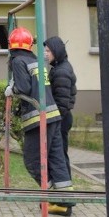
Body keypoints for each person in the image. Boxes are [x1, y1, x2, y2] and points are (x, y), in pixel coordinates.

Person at [6, 26, 75, 216]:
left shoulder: (18, 61)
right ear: (29, 45)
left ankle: (52, 196)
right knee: (56, 158)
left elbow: (24, 88)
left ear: (11, 45)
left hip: (38, 118)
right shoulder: (34, 60)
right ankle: (65, 202)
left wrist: (12, 88)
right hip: (53, 116)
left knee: (32, 160)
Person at [43, 36, 77, 179]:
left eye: (48, 51)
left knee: (59, 156)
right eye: (45, 50)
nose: (45, 54)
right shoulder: (59, 67)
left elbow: (62, 104)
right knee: (59, 154)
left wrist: (53, 121)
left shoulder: (61, 71)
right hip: (61, 117)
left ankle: (65, 193)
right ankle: (63, 191)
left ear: (56, 52)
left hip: (61, 119)